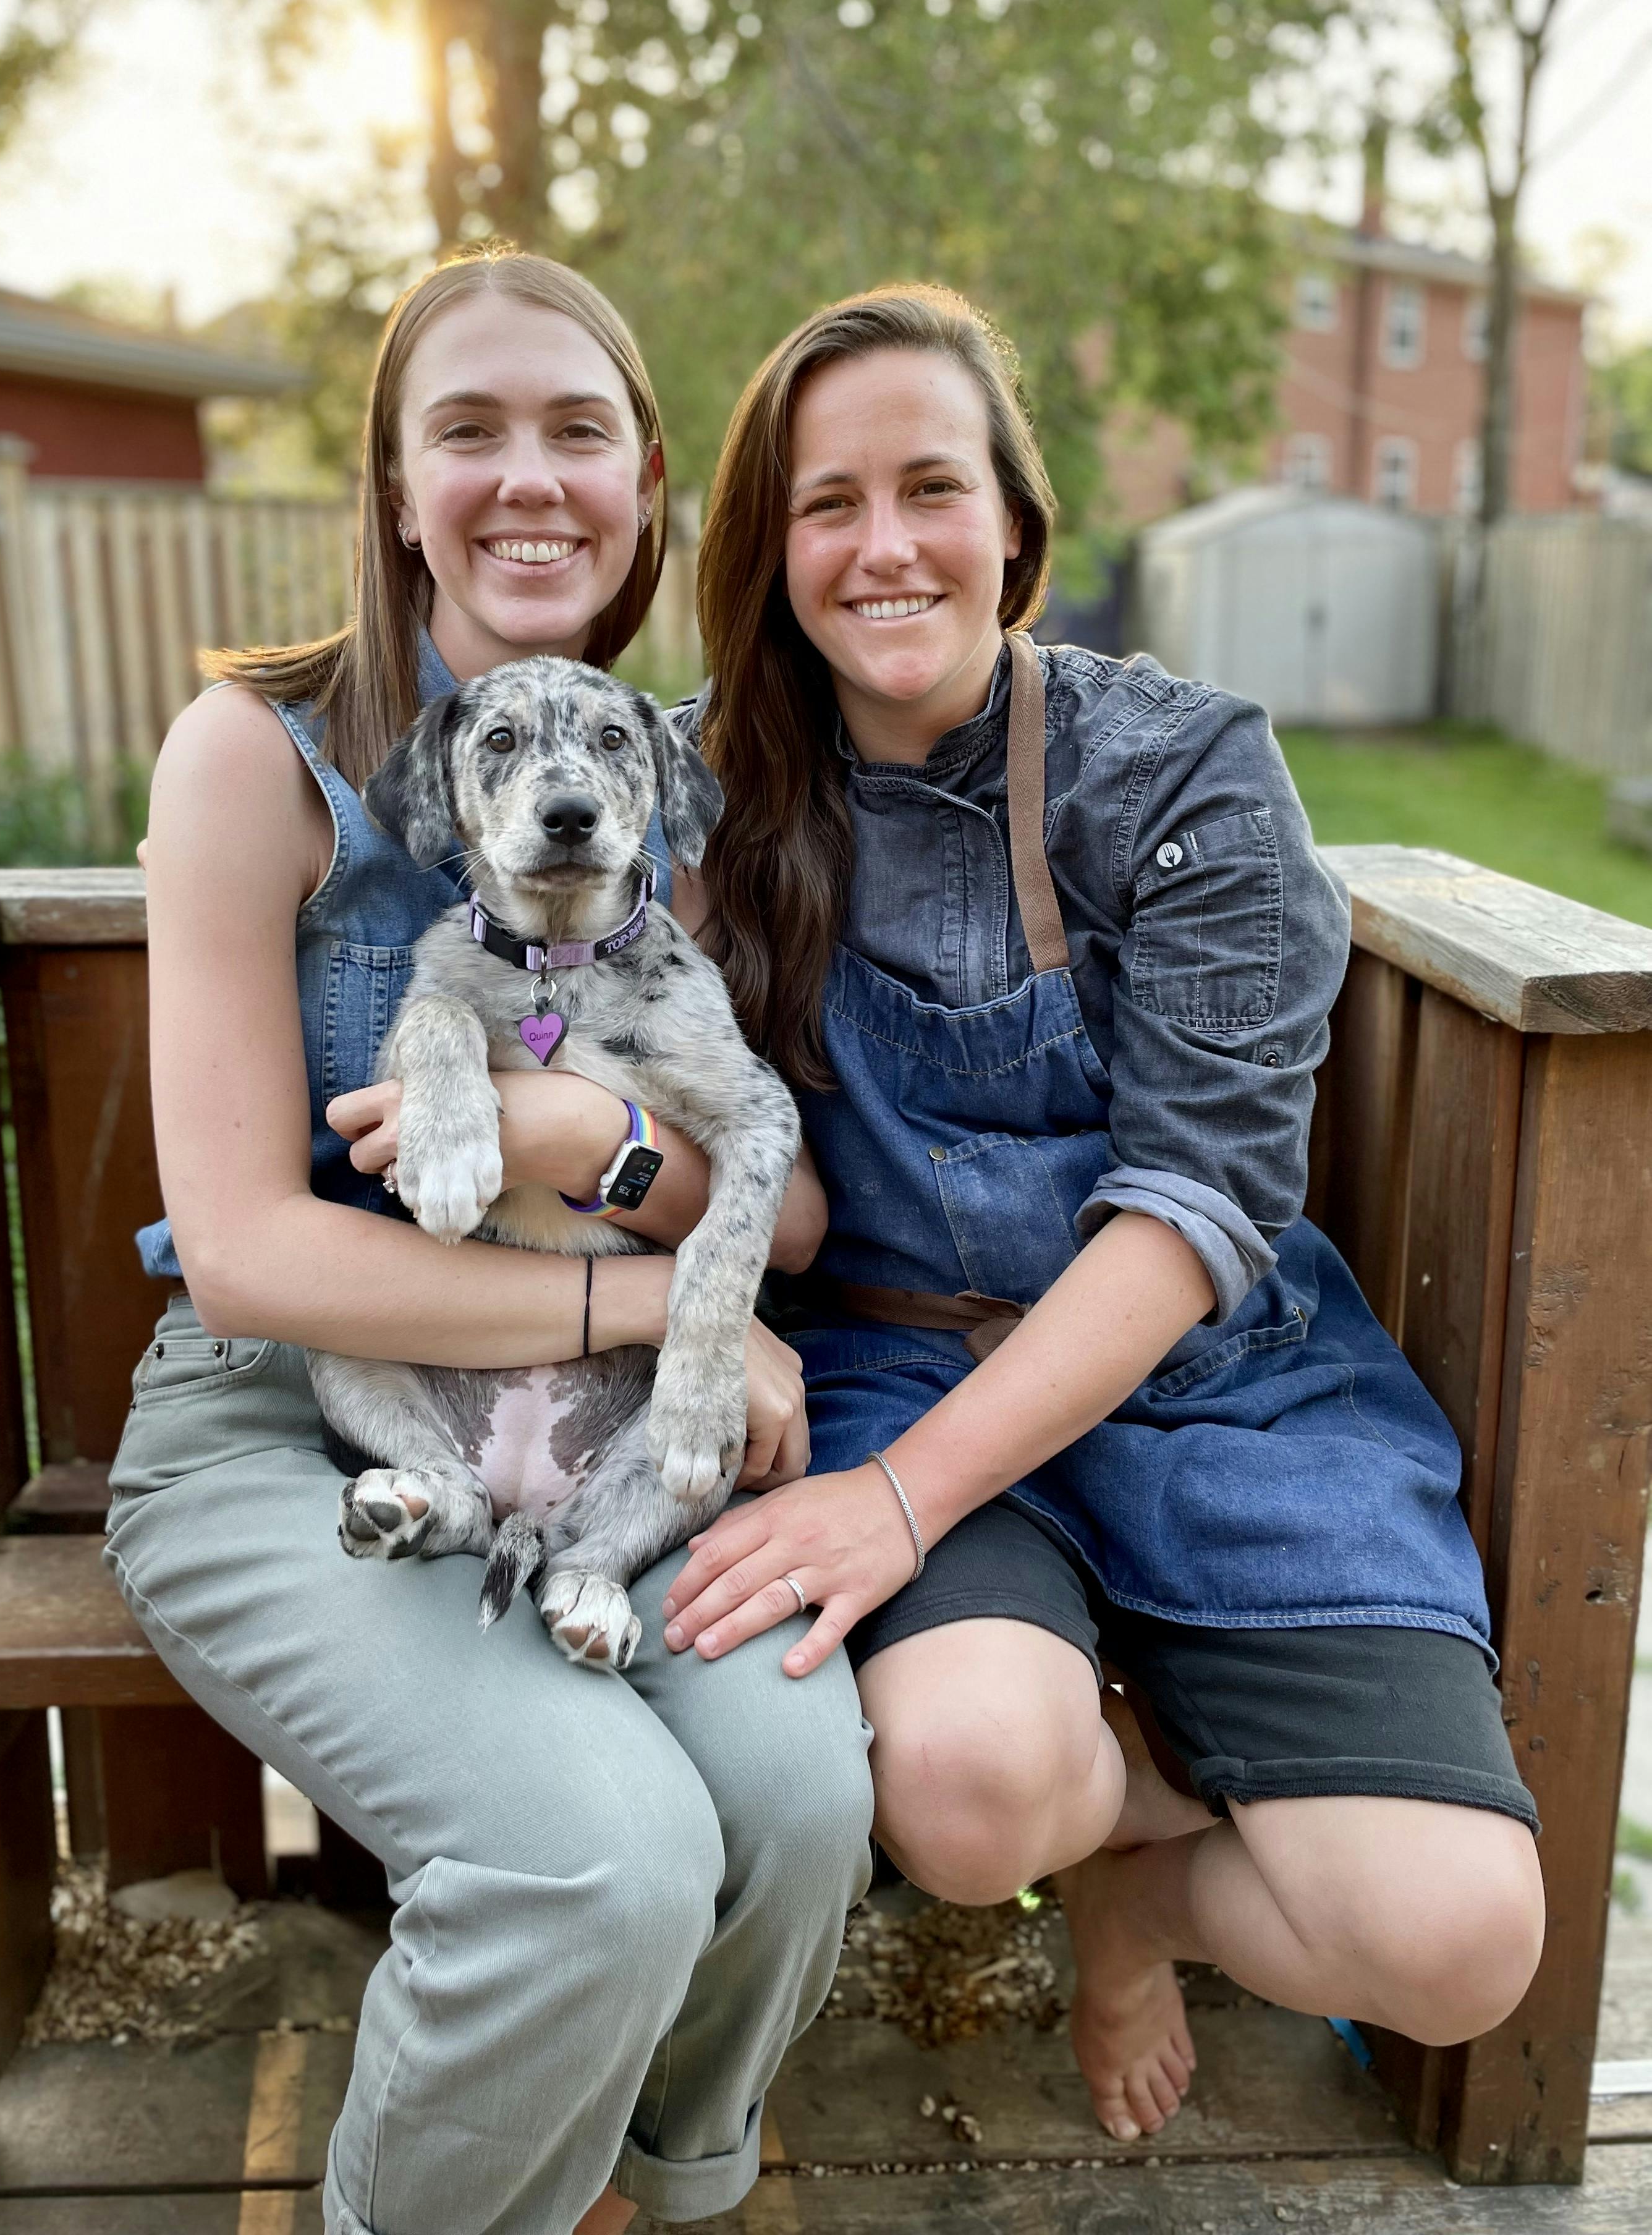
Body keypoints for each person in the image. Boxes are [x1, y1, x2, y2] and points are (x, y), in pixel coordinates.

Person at [656, 284, 1545, 2147]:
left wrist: (900, 1509)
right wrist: (693, 1270)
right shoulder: (700, 793)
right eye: (830, 504)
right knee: (973, 1801)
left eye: (931, 487)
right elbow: (621, 1061)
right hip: (892, 1361)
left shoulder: (1184, 772)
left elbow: (1199, 1206)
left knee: (1463, 1943)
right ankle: (1110, 1829)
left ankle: (1150, 1893)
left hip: (1218, 1380)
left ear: (1016, 527)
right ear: (769, 547)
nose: (885, 545)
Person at [103, 251, 874, 2235]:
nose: (528, 482)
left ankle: (632, 2188)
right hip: (292, 1418)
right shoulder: (255, 755)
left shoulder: (643, 769)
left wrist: (606, 1151)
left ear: (643, 481)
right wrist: (655, 1295)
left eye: (576, 433)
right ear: (390, 486)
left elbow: (774, 1200)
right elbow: (253, 1259)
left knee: (796, 1806)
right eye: (468, 432)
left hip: (612, 1411)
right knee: (594, 1859)